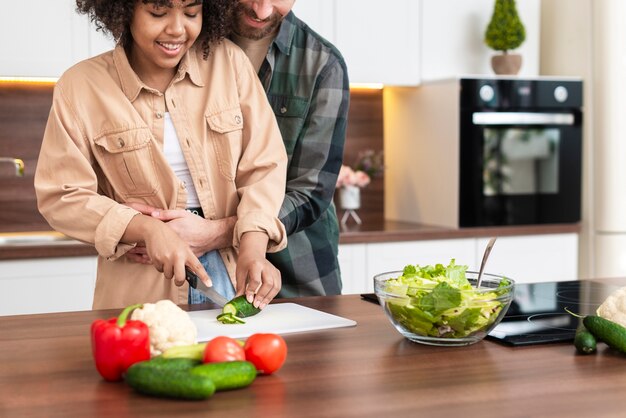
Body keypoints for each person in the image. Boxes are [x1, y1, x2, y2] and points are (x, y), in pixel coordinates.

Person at [34, 0, 288, 310]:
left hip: (228, 279)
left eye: (192, 12)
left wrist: (253, 247)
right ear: (125, 10)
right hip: (140, 289)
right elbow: (61, 195)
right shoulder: (81, 86)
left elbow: (265, 166)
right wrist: (144, 228)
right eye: (158, 12)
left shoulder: (230, 63)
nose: (178, 29)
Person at [127, 0, 350, 297]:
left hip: (297, 275)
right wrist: (142, 228)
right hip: (201, 277)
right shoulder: (177, 41)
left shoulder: (323, 65)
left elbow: (311, 192)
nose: (262, 11)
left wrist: (216, 233)